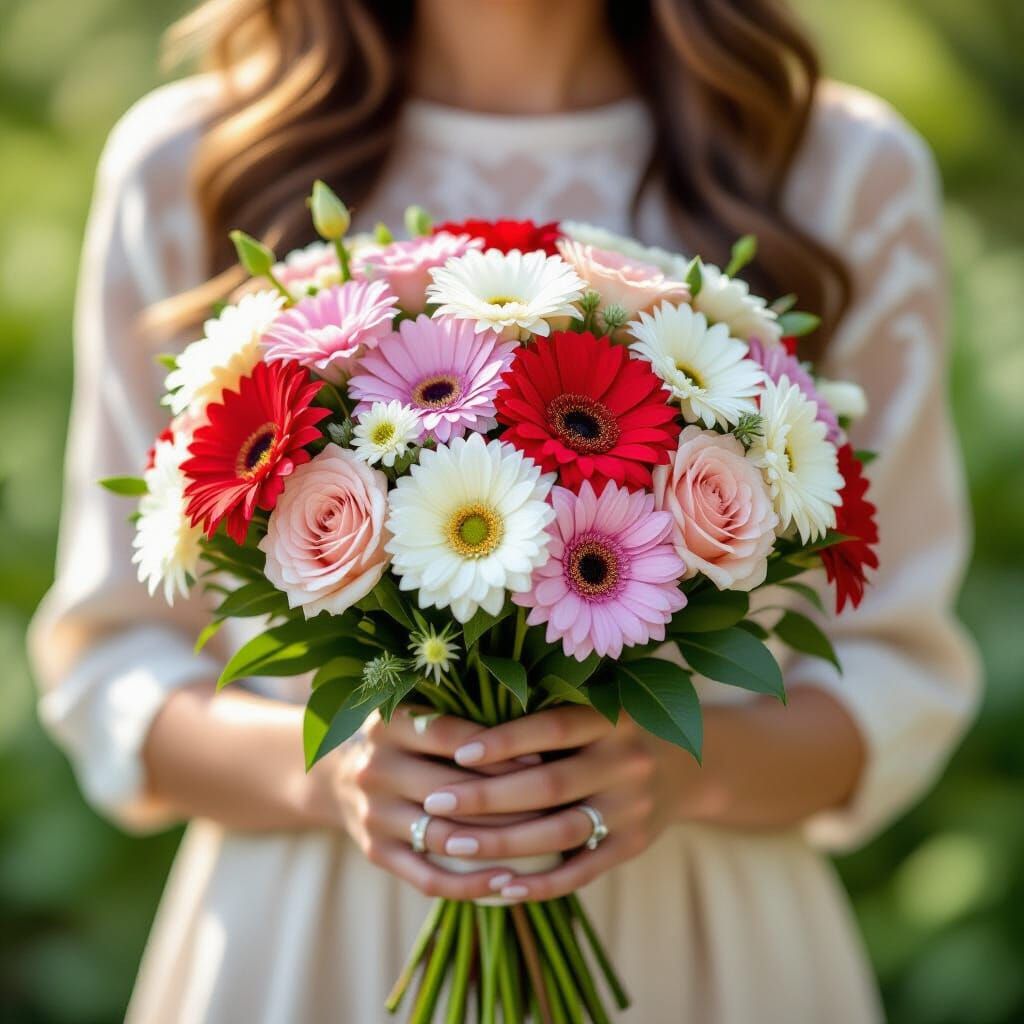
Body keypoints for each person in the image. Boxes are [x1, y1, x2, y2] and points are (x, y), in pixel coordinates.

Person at [29, 1, 980, 1020]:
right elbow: (112, 662)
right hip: (310, 949)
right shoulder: (193, 161)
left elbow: (898, 666)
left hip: (703, 944)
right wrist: (329, 773)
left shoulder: (837, 168)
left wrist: (683, 773)